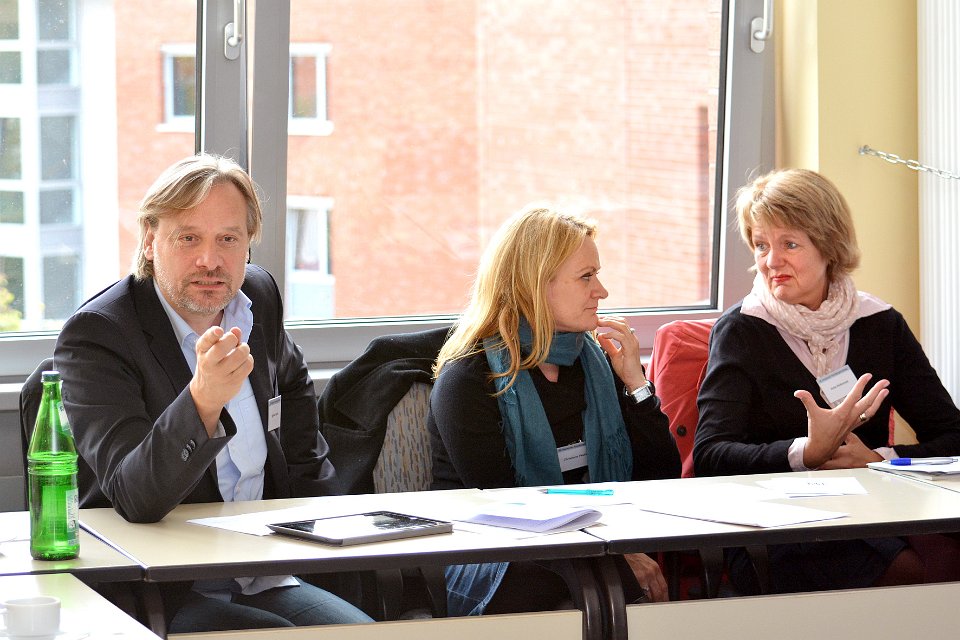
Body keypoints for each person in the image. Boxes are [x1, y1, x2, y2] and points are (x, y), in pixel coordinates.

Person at [53, 154, 373, 632]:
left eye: (228, 239)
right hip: (164, 589)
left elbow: (297, 417)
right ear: (149, 240)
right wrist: (202, 401)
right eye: (189, 238)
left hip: (266, 570)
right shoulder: (99, 334)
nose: (210, 260)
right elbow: (134, 496)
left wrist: (338, 546)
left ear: (248, 243)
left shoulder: (258, 296)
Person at [693, 168, 960, 594]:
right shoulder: (741, 330)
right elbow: (711, 455)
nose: (771, 261)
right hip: (776, 522)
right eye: (761, 245)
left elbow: (952, 437)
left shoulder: (880, 323)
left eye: (789, 244)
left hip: (874, 508)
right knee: (915, 575)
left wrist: (879, 460)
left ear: (829, 245)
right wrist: (806, 453)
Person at [428, 205, 681, 616]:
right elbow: (506, 509)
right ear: (535, 285)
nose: (602, 291)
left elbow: (661, 479)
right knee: (587, 585)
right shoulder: (469, 378)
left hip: (593, 542)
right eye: (586, 277)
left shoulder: (597, 362)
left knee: (606, 584)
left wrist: (637, 384)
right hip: (489, 553)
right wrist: (610, 556)